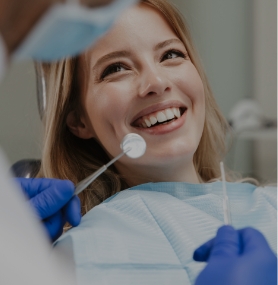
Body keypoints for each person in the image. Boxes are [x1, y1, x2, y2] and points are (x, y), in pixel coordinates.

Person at [34, 0, 277, 284]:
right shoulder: (68, 257)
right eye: (115, 69)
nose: (157, 82)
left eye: (171, 54)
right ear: (78, 121)